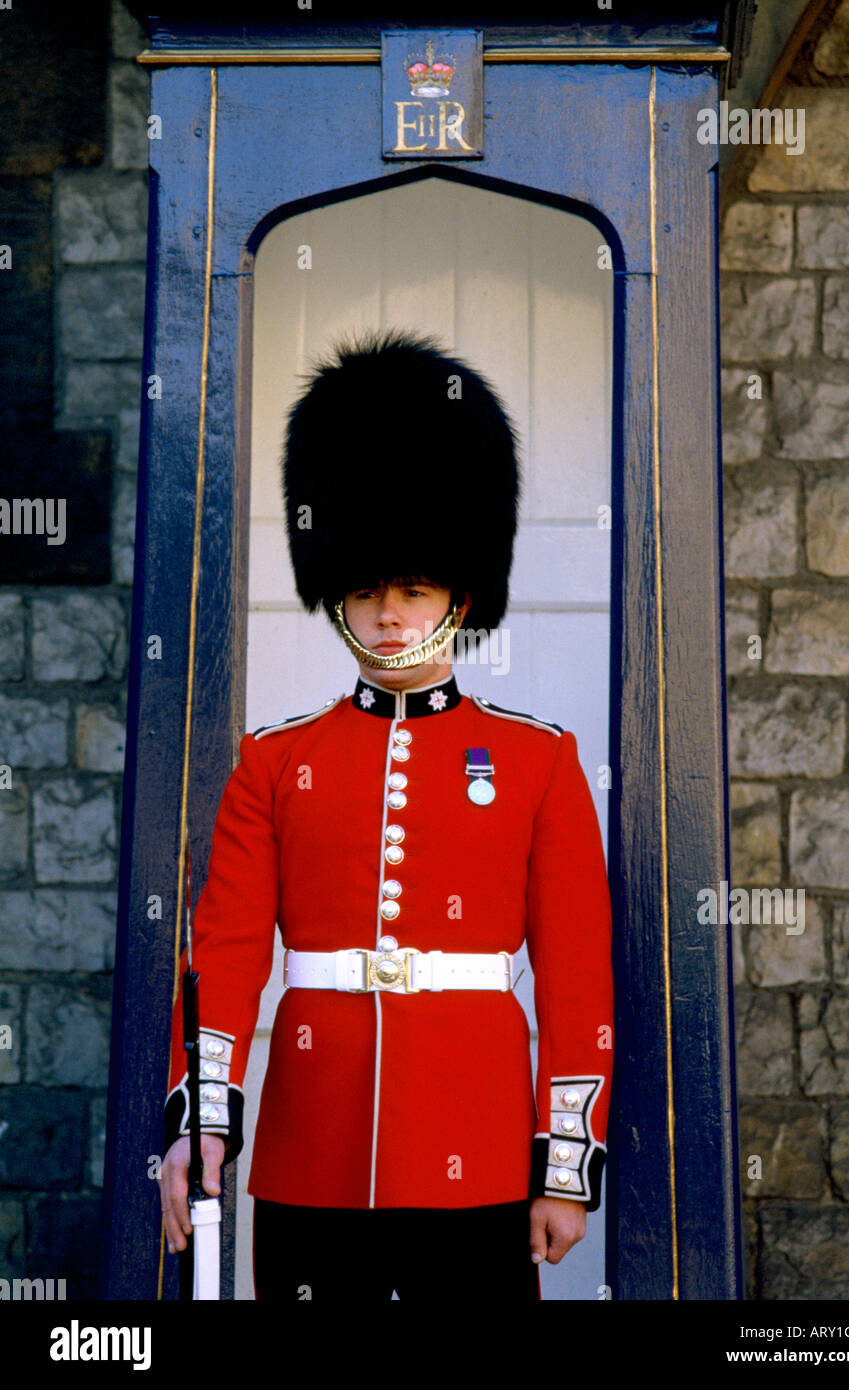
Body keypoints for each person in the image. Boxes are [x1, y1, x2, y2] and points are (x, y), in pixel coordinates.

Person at [158, 328, 613, 1301]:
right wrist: (200, 1124)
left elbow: (576, 982)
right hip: (308, 1152)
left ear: (459, 592)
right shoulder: (275, 763)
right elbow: (227, 958)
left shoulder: (539, 762)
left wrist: (563, 1169)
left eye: (413, 588)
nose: (388, 615)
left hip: (478, 1151)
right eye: (364, 589)